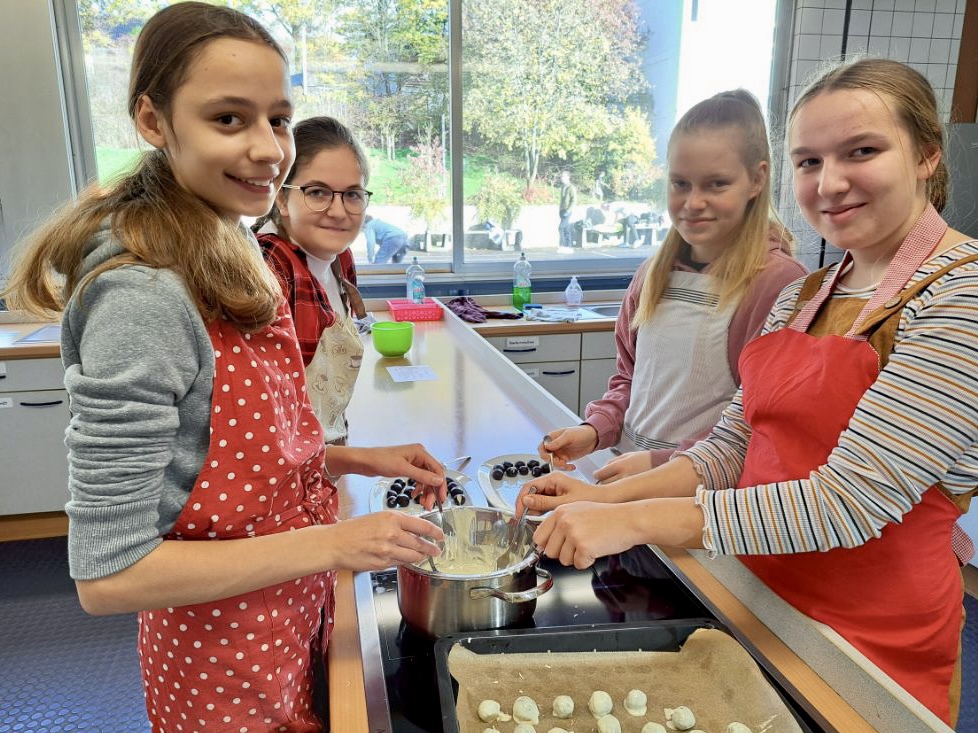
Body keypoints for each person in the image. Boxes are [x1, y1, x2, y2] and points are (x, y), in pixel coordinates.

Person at [1, 4, 444, 731]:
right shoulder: (142, 293)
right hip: (220, 666)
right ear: (153, 119)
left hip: (285, 619)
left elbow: (225, 458)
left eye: (277, 119)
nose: (271, 149)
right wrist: (336, 541)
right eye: (229, 119)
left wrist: (347, 458)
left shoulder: (222, 248)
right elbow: (109, 574)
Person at [519, 59, 977, 726]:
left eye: (862, 152)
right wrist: (603, 495)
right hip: (753, 598)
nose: (830, 182)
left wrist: (635, 519)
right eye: (810, 161)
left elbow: (847, 502)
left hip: (868, 642)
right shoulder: (803, 295)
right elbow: (731, 448)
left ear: (927, 154)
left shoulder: (960, 296)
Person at [540, 90, 806, 484]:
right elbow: (631, 380)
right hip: (624, 484)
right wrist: (595, 430)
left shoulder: (775, 284)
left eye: (716, 184)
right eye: (680, 183)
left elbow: (758, 424)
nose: (693, 202)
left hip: (698, 499)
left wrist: (660, 463)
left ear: (757, 179)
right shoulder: (653, 274)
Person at [254, 116, 372, 445]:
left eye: (352, 194)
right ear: (280, 197)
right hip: (284, 468)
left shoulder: (339, 260)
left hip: (326, 448)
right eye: (317, 192)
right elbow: (264, 420)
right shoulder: (268, 268)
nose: (338, 211)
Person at [558, 170, 577, 248]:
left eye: (563, 176)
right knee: (566, 229)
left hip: (567, 210)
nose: (561, 178)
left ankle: (562, 245)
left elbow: (574, 200)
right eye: (561, 176)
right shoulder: (563, 187)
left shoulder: (571, 187)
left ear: (568, 177)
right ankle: (568, 245)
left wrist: (568, 210)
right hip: (562, 210)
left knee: (561, 228)